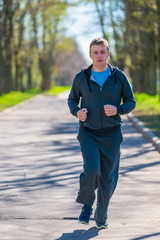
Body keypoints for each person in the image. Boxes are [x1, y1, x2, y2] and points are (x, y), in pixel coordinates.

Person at [67, 38, 136, 229]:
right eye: (95, 52)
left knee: (108, 177)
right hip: (88, 133)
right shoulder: (81, 77)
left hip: (112, 134)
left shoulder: (119, 77)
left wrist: (118, 109)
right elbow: (72, 100)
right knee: (92, 170)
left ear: (108, 54)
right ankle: (87, 206)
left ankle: (101, 215)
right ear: (90, 55)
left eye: (102, 52)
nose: (99, 55)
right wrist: (77, 112)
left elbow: (131, 101)